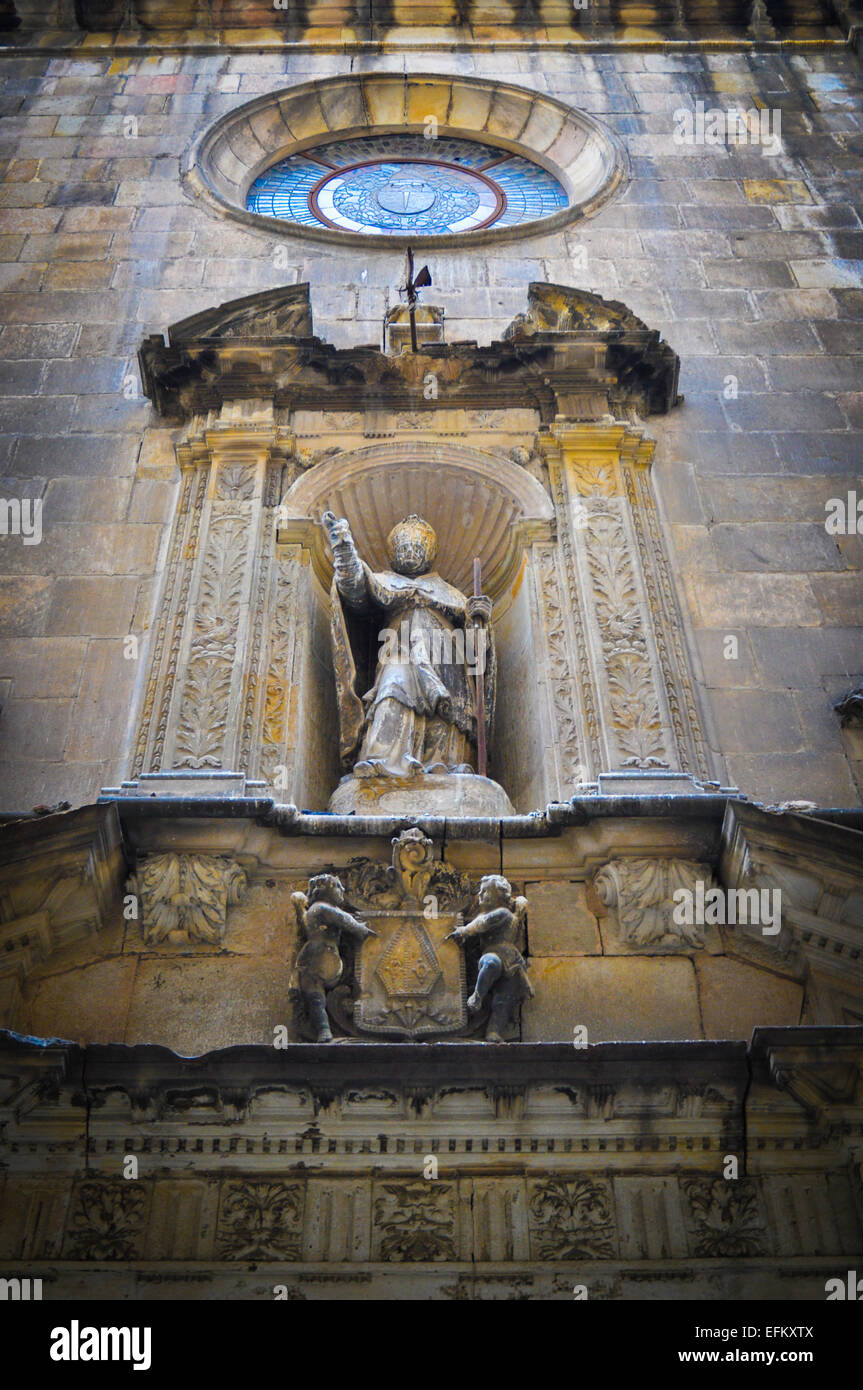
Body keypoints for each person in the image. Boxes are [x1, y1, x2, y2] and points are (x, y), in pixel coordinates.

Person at [323, 510, 495, 779]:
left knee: (445, 712)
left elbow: (477, 651)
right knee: (393, 689)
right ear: (394, 553)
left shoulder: (451, 594)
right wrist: (344, 552)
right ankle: (382, 762)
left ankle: (444, 766)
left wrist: (480, 620)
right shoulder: (384, 581)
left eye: (417, 548)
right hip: (400, 652)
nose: (410, 553)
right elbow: (355, 592)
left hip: (447, 658)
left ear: (429, 554)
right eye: (404, 548)